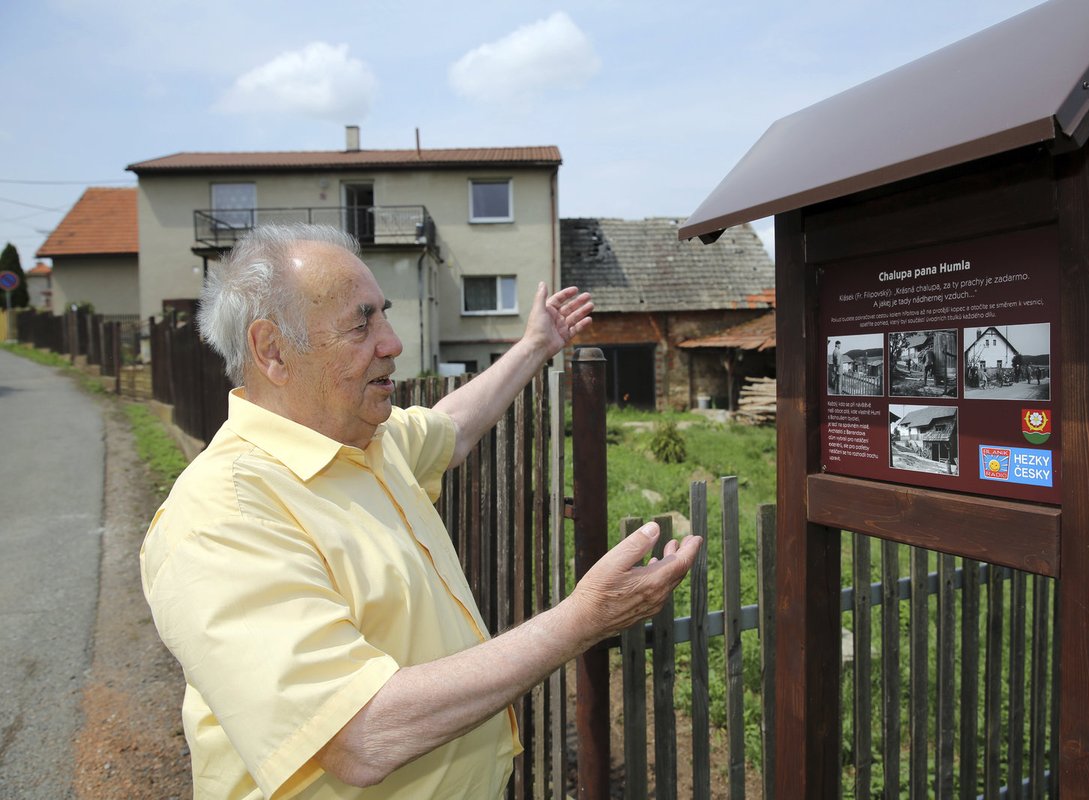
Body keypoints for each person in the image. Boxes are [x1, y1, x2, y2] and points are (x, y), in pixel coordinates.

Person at [139, 224, 702, 799]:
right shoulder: (222, 517)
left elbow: (453, 427)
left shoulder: (364, 440)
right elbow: (358, 733)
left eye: (383, 315)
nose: (392, 342)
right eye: (361, 324)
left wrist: (536, 343)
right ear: (273, 350)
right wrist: (582, 620)